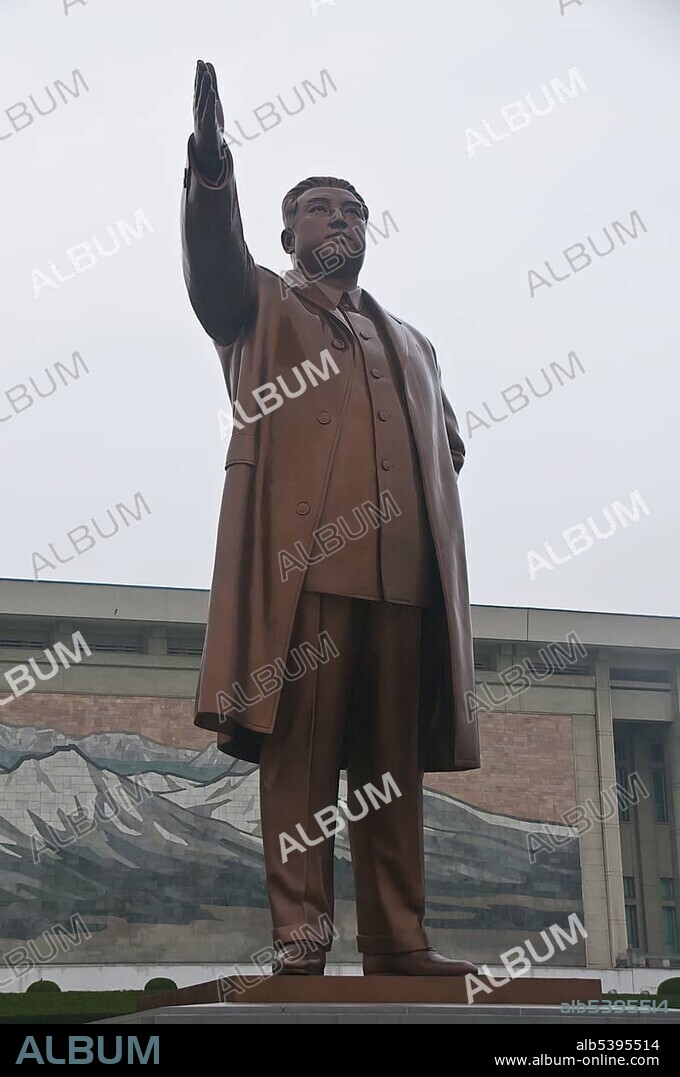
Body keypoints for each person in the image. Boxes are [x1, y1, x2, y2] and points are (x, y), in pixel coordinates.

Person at [182, 60, 480, 976]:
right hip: (306, 580)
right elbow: (214, 265)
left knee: (393, 772)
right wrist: (210, 170)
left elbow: (450, 446)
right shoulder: (261, 307)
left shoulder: (414, 343)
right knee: (303, 768)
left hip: (405, 586)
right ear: (287, 229)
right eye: (320, 206)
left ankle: (399, 941)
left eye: (352, 208)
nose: (340, 218)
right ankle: (301, 943)